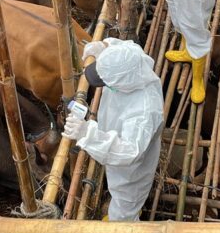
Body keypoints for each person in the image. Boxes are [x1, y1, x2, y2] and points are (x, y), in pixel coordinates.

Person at [62, 38, 164, 221]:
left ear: (121, 82)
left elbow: (129, 152)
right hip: (117, 133)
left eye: (106, 81)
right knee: (117, 185)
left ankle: (125, 224)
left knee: (126, 200)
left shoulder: (144, 111)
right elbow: (126, 46)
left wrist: (88, 134)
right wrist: (103, 47)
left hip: (132, 169)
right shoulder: (133, 60)